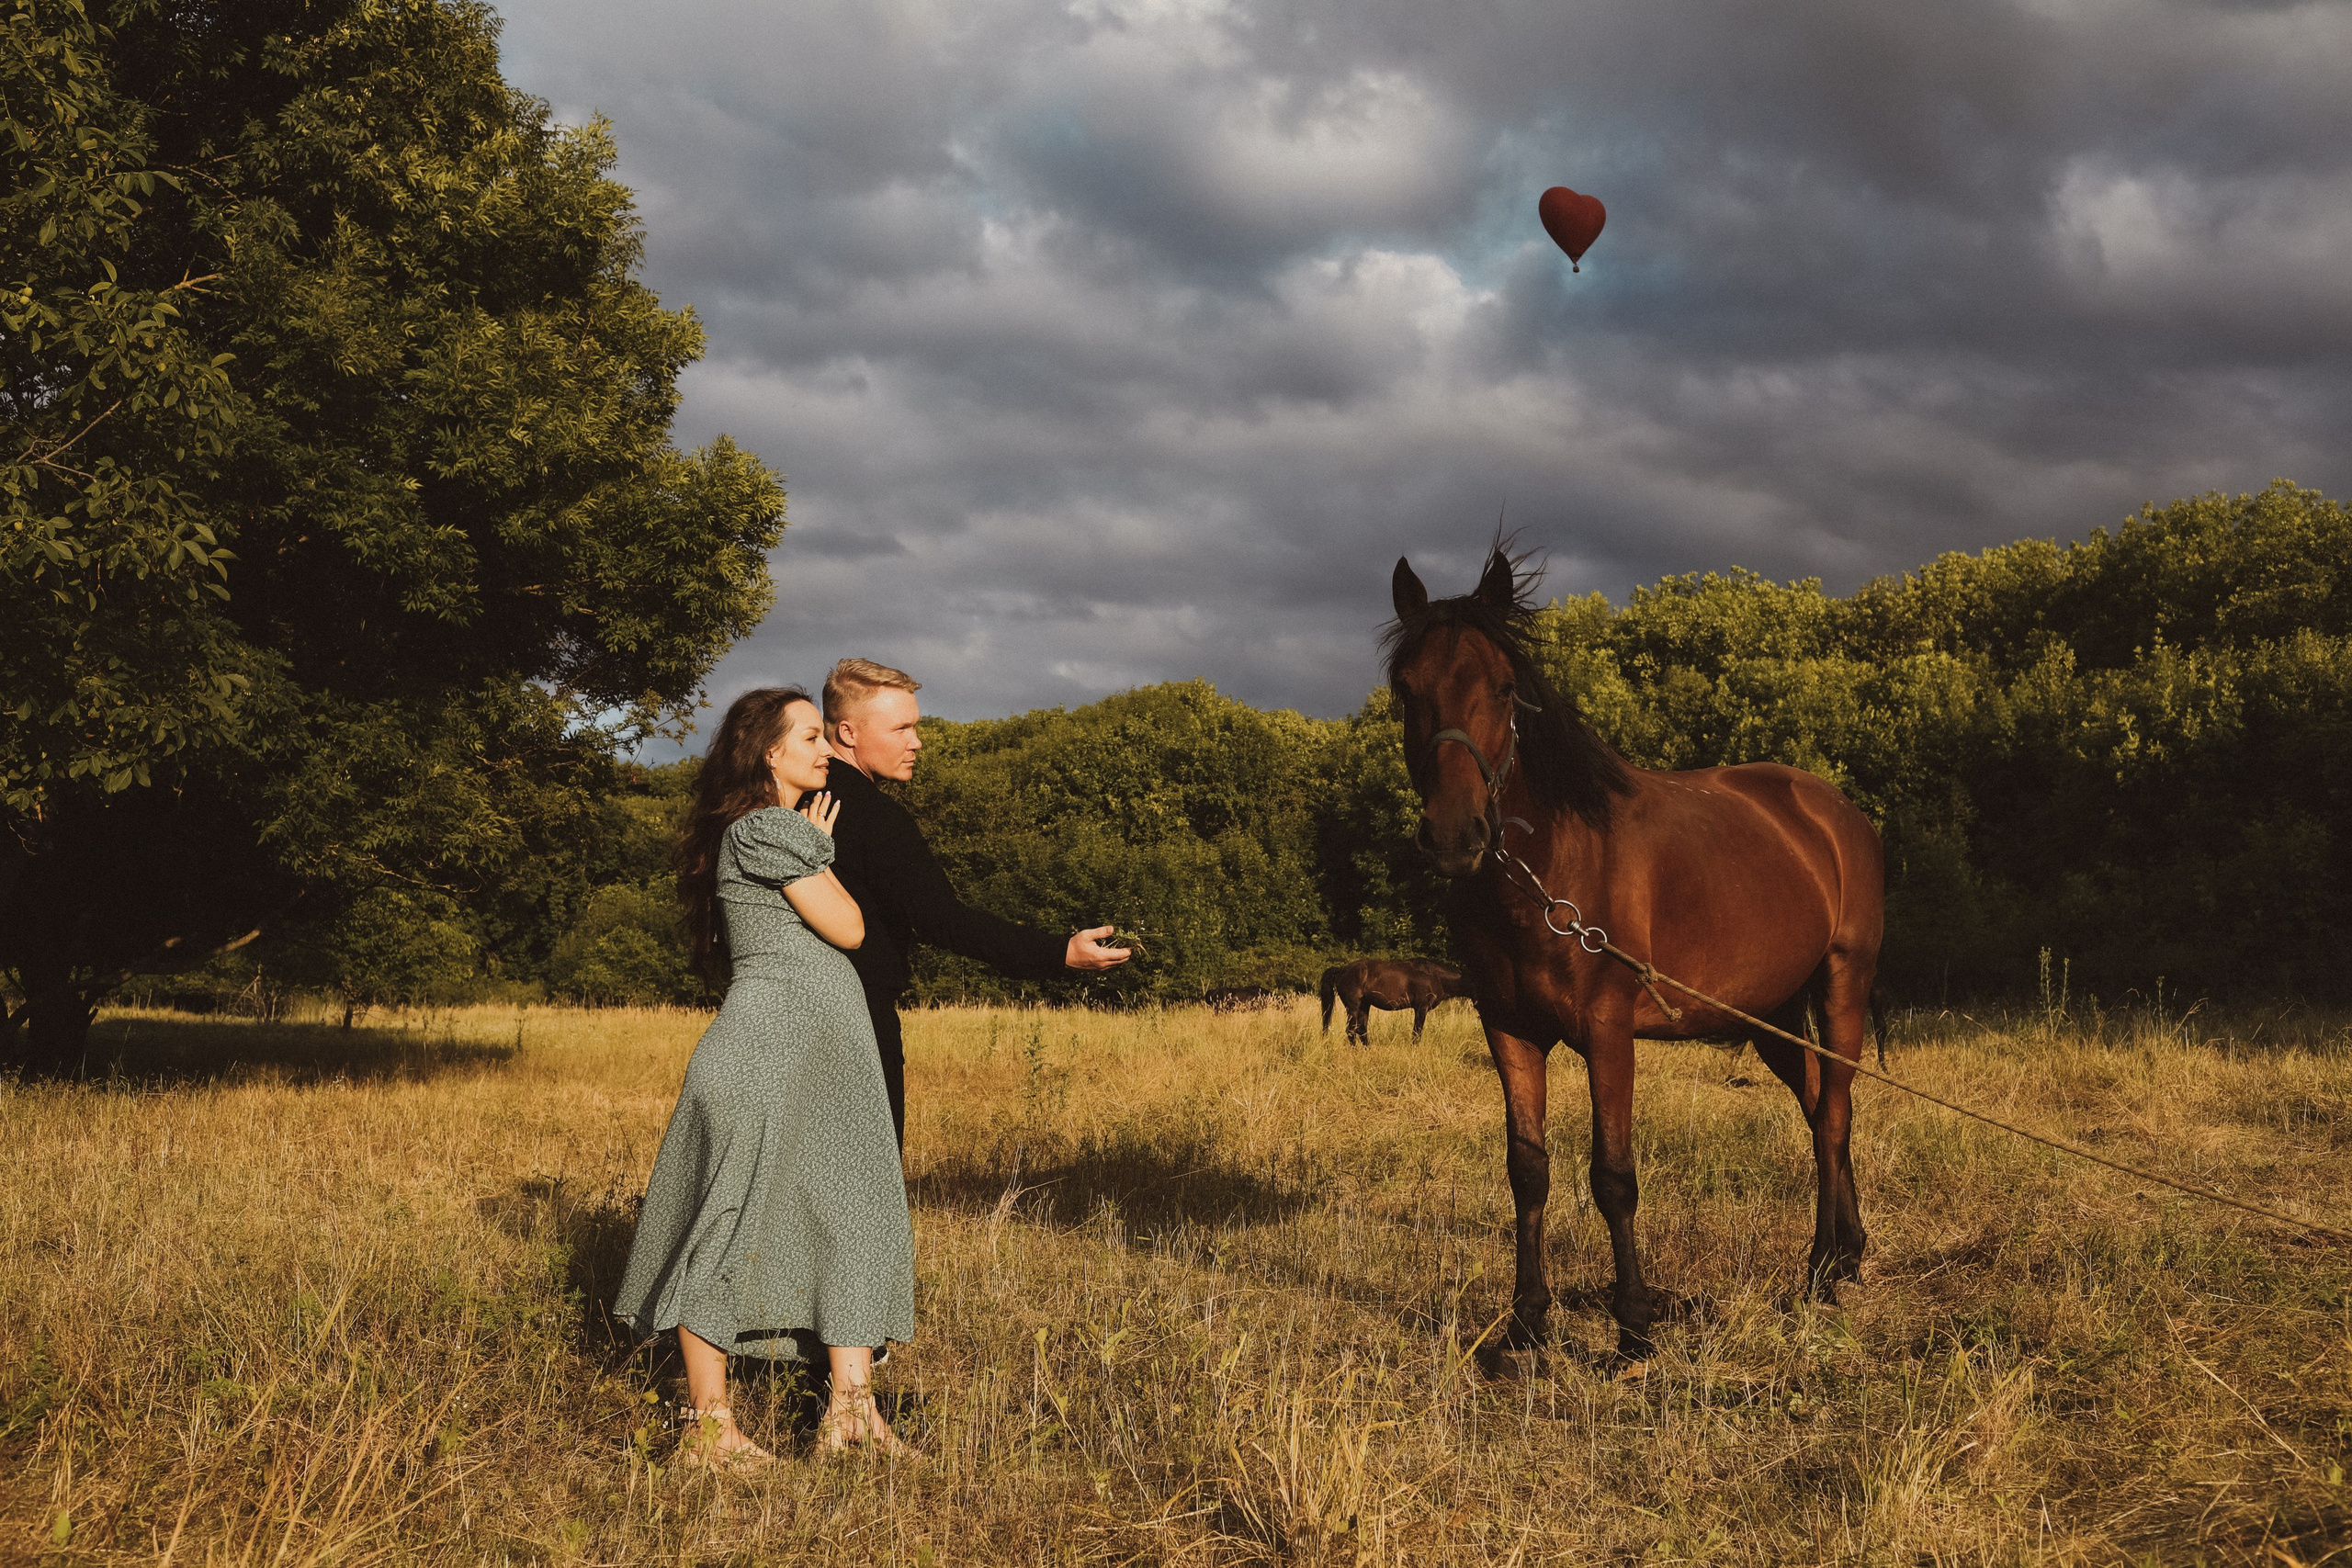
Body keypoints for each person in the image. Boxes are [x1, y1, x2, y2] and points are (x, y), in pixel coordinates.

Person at [611, 687, 913, 1468]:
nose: (825, 752)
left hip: (821, 1059)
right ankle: (710, 1433)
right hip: (768, 1054)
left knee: (849, 1213)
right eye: (810, 738)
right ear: (768, 752)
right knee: (728, 1221)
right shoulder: (767, 828)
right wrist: (817, 852)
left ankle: (852, 1414)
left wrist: (813, 851)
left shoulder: (774, 831)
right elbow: (849, 926)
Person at [819, 658, 1130, 1145]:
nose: (916, 741)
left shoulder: (783, 801)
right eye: (901, 727)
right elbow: (944, 921)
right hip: (857, 1024)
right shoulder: (875, 819)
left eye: (915, 726)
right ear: (848, 732)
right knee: (862, 1193)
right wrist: (1059, 952)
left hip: (777, 1019)